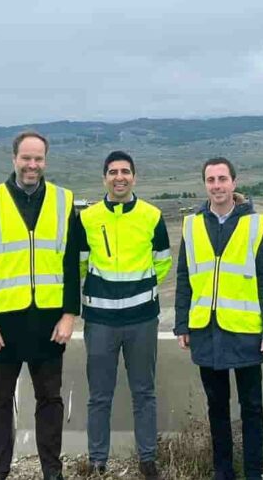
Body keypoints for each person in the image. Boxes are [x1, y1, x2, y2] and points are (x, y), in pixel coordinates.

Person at [0, 131, 82, 480]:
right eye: (26, 158)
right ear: (14, 158)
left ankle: (52, 472)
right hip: (2, 325)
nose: (33, 165)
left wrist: (68, 314)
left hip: (49, 323)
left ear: (46, 160)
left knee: (50, 401)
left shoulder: (64, 201)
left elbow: (71, 264)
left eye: (39, 159)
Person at [173, 157, 263, 480]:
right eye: (211, 180)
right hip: (206, 331)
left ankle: (253, 472)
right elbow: (184, 278)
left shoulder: (256, 224)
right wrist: (182, 323)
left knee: (252, 407)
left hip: (247, 333)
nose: (217, 185)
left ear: (234, 183)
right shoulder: (191, 225)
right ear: (205, 184)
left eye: (223, 179)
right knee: (216, 408)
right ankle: (222, 471)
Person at [79, 151, 171, 479]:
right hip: (100, 321)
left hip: (142, 320)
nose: (120, 177)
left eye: (126, 171)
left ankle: (148, 460)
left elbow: (162, 261)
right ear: (104, 177)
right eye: (114, 172)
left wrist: (137, 291)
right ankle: (97, 461)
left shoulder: (152, 215)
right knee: (99, 395)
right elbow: (80, 264)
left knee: (143, 392)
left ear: (135, 176)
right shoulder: (87, 218)